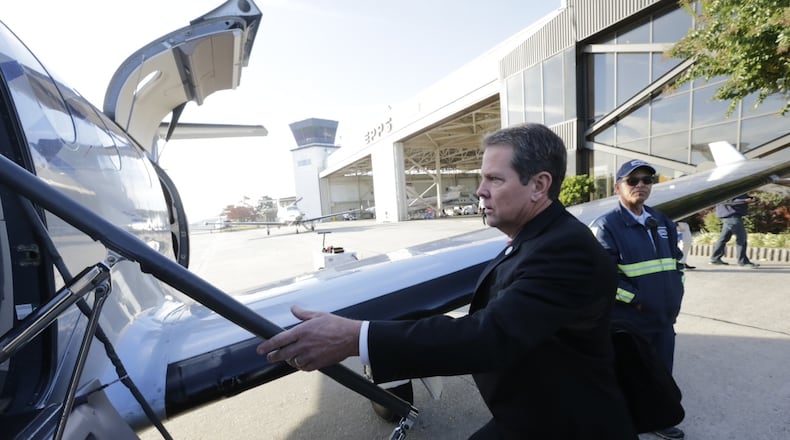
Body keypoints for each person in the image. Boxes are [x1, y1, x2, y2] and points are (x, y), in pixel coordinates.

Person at [257, 123, 637, 439]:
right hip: (535, 412)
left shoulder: (563, 249)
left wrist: (355, 337)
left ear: (539, 186)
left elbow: (490, 335)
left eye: (494, 179)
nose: (480, 190)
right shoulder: (540, 237)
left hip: (567, 424)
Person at [589, 159, 686, 440]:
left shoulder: (662, 222)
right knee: (628, 373)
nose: (641, 185)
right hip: (630, 319)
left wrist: (676, 292)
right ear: (618, 187)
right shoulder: (606, 226)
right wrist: (637, 299)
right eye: (633, 180)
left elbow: (676, 262)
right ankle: (621, 424)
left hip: (664, 317)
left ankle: (658, 418)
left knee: (660, 371)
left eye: (647, 180)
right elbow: (602, 278)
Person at [709, 194, 759, 268]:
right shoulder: (725, 188)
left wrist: (751, 198)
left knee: (724, 238)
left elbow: (740, 195)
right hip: (730, 215)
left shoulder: (735, 187)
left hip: (731, 215)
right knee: (742, 237)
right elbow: (728, 201)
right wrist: (744, 201)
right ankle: (743, 262)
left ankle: (715, 258)